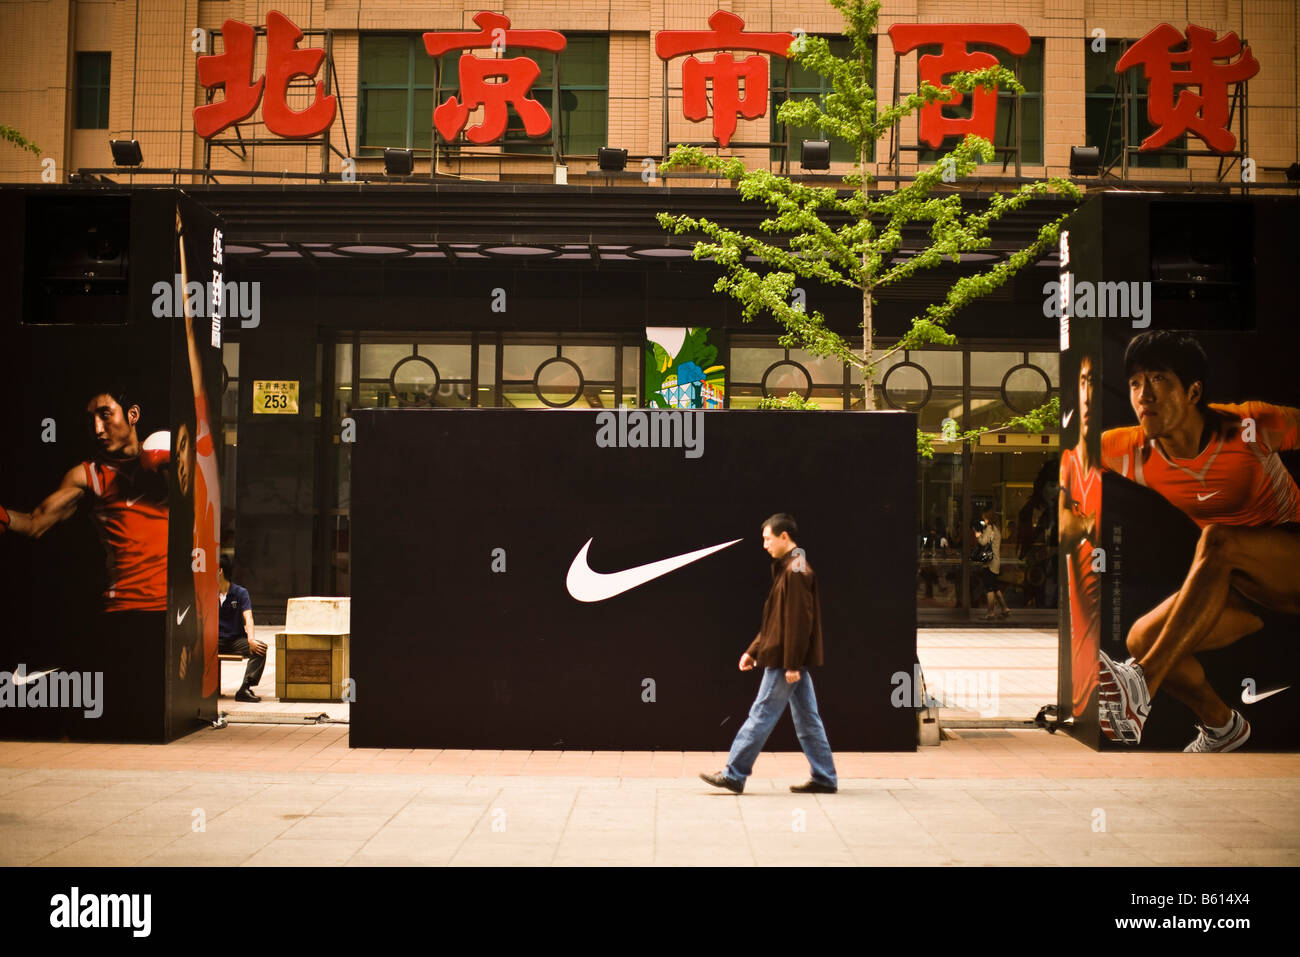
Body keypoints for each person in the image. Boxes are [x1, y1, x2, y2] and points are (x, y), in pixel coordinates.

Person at [1097, 331, 1300, 752]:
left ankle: (1140, 685)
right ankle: (1222, 726)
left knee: (1218, 538)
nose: (1144, 395)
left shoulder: (1248, 425)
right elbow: (1071, 465)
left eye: (1159, 379)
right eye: (1135, 383)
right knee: (1140, 638)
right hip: (1244, 593)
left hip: (1289, 561)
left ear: (1192, 391)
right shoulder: (1129, 449)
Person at [0, 385, 169, 736]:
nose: (97, 428)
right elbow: (36, 523)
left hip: (175, 612)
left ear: (132, 415)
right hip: (123, 611)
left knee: (164, 719)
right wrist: (3, 516)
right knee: (118, 718)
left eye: (105, 415)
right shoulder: (87, 474)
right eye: (91, 419)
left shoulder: (169, 456)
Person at [699, 513, 838, 794]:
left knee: (761, 713)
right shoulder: (789, 568)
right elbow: (777, 620)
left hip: (784, 660)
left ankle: (733, 773)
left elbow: (799, 621)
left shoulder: (796, 570)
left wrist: (792, 664)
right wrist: (753, 650)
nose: (764, 545)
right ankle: (824, 778)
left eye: (767, 538)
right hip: (784, 656)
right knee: (808, 719)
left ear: (784, 537)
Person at [1060, 354, 1101, 718]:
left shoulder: (1118, 464)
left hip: (1106, 677)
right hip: (1079, 677)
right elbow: (1063, 530)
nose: (1088, 395)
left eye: (1096, 383)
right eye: (1084, 381)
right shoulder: (1070, 462)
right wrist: (1088, 524)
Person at [218, 554, 266, 702]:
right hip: (213, 641)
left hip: (234, 640)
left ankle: (245, 688)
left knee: (260, 648)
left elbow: (248, 617)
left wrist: (251, 639)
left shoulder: (240, 593)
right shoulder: (207, 591)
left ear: (220, 571)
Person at [977, 508, 1008, 620]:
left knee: (989, 587)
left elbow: (983, 542)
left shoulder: (989, 528)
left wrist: (978, 536)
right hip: (996, 561)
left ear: (988, 519)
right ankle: (1004, 608)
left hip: (990, 562)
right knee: (994, 586)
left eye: (985, 518)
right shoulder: (997, 529)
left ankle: (990, 612)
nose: (984, 521)